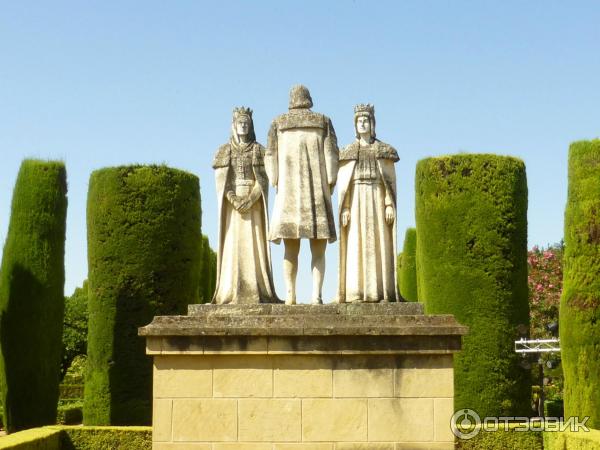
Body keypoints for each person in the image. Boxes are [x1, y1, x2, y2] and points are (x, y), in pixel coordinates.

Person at [265, 85, 338, 305]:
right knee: (318, 248)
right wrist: (330, 182)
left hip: (288, 193)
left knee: (290, 249)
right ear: (309, 99)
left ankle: (290, 294)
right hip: (316, 193)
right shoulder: (323, 121)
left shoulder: (278, 123)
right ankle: (316, 295)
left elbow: (270, 155)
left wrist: (275, 179)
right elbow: (332, 155)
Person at [212, 107, 279, 304]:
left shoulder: (259, 150)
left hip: (254, 204)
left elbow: (263, 180)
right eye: (240, 122)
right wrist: (233, 199)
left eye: (246, 123)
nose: (243, 125)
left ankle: (257, 289)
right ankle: (230, 291)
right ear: (233, 125)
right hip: (233, 208)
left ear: (250, 126)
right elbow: (223, 182)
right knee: (233, 246)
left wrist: (250, 199)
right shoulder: (225, 151)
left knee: (255, 245)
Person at [337, 103, 400, 302]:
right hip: (356, 200)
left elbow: (388, 182)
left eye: (366, 120)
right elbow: (345, 184)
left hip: (376, 197)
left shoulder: (383, 150)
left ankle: (379, 290)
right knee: (356, 242)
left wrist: (389, 203)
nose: (362, 124)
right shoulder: (348, 151)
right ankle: (356, 290)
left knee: (378, 243)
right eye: (359, 121)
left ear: (372, 123)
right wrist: (345, 207)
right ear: (355, 125)